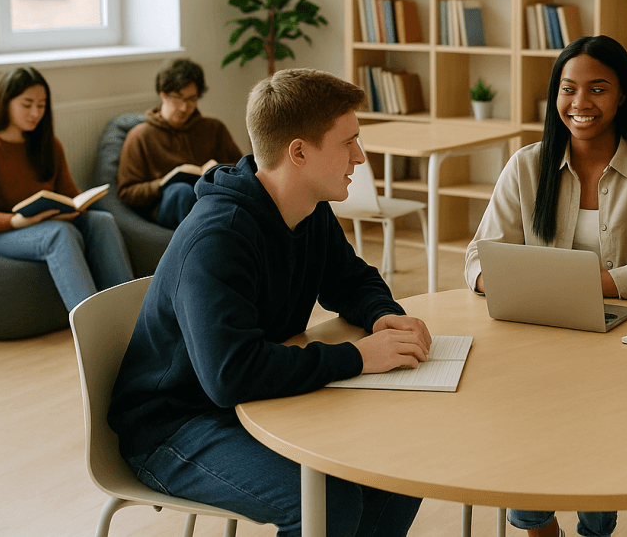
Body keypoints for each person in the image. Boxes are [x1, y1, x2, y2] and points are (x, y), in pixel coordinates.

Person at [108, 69, 431, 537]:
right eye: (349, 142)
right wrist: (356, 358)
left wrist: (383, 316)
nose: (360, 157)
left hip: (256, 404)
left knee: (396, 465)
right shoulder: (218, 237)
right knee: (328, 501)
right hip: (175, 426)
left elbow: (350, 279)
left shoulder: (309, 208)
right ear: (298, 151)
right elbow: (229, 375)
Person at [465, 35, 627, 537]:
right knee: (516, 414)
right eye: (568, 89)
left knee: (596, 425)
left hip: (617, 341)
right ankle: (538, 528)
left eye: (598, 89)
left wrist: (561, 285)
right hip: (530, 335)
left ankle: (594, 529)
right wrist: (496, 280)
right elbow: (478, 255)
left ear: (623, 94)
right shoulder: (527, 163)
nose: (580, 103)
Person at [0, 67, 134, 311]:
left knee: (102, 221)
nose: (35, 113)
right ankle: (89, 325)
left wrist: (76, 206)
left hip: (46, 221)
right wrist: (17, 222)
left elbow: (69, 193)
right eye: (27, 104)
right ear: (6, 103)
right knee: (60, 233)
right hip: (1, 232)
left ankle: (131, 314)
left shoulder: (48, 144)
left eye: (41, 105)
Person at [117, 58, 244, 228]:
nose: (185, 107)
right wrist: (163, 182)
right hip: (167, 205)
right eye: (178, 98)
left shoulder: (214, 128)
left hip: (208, 199)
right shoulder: (140, 136)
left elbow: (242, 171)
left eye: (192, 99)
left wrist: (220, 168)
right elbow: (127, 193)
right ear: (163, 94)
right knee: (181, 191)